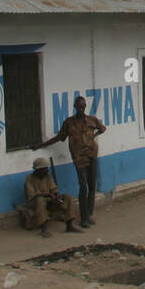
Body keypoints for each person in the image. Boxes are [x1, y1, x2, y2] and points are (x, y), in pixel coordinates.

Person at [35, 96, 105, 227]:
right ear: (75, 107)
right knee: (83, 186)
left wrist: (93, 137)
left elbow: (102, 129)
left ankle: (89, 214)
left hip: (92, 155)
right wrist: (40, 145)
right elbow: (58, 138)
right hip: (79, 158)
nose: (81, 109)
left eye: (83, 107)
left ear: (85, 106)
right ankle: (83, 218)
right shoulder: (69, 123)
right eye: (79, 107)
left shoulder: (92, 119)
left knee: (92, 185)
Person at [19, 156, 83, 237]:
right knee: (40, 200)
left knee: (67, 197)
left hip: (48, 200)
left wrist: (56, 195)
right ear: (39, 170)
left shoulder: (48, 176)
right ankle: (43, 229)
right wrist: (48, 194)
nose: (47, 170)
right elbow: (32, 194)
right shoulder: (29, 179)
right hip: (34, 202)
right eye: (44, 169)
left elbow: (53, 188)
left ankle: (69, 225)